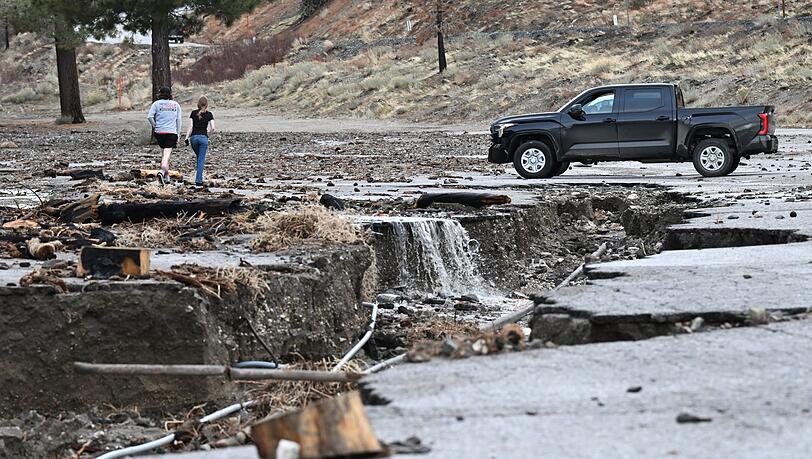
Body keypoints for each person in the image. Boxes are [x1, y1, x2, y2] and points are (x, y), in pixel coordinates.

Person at [147, 86, 183, 185]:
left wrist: (155, 126)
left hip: (159, 133)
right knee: (166, 156)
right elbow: (178, 120)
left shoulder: (156, 104)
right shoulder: (176, 105)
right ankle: (161, 171)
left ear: (160, 94)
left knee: (164, 154)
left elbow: (149, 117)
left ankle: (166, 177)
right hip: (171, 132)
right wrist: (178, 133)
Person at [183, 95, 216, 187]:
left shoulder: (193, 113)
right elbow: (213, 128)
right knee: (201, 159)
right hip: (203, 138)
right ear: (207, 104)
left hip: (193, 138)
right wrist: (207, 136)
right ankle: (198, 180)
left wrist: (186, 138)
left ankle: (198, 177)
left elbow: (190, 128)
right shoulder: (209, 114)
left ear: (198, 104)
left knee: (199, 158)